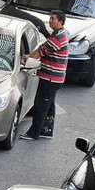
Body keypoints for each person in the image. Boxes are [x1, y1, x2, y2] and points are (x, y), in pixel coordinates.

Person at [21, 10, 69, 140]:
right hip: (55, 79)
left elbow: (40, 52)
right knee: (49, 105)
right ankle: (46, 130)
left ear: (61, 22)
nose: (50, 21)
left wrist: (26, 59)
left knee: (40, 106)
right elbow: (42, 46)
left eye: (53, 19)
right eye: (50, 18)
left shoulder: (57, 38)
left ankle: (34, 133)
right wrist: (29, 55)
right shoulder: (60, 34)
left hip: (50, 78)